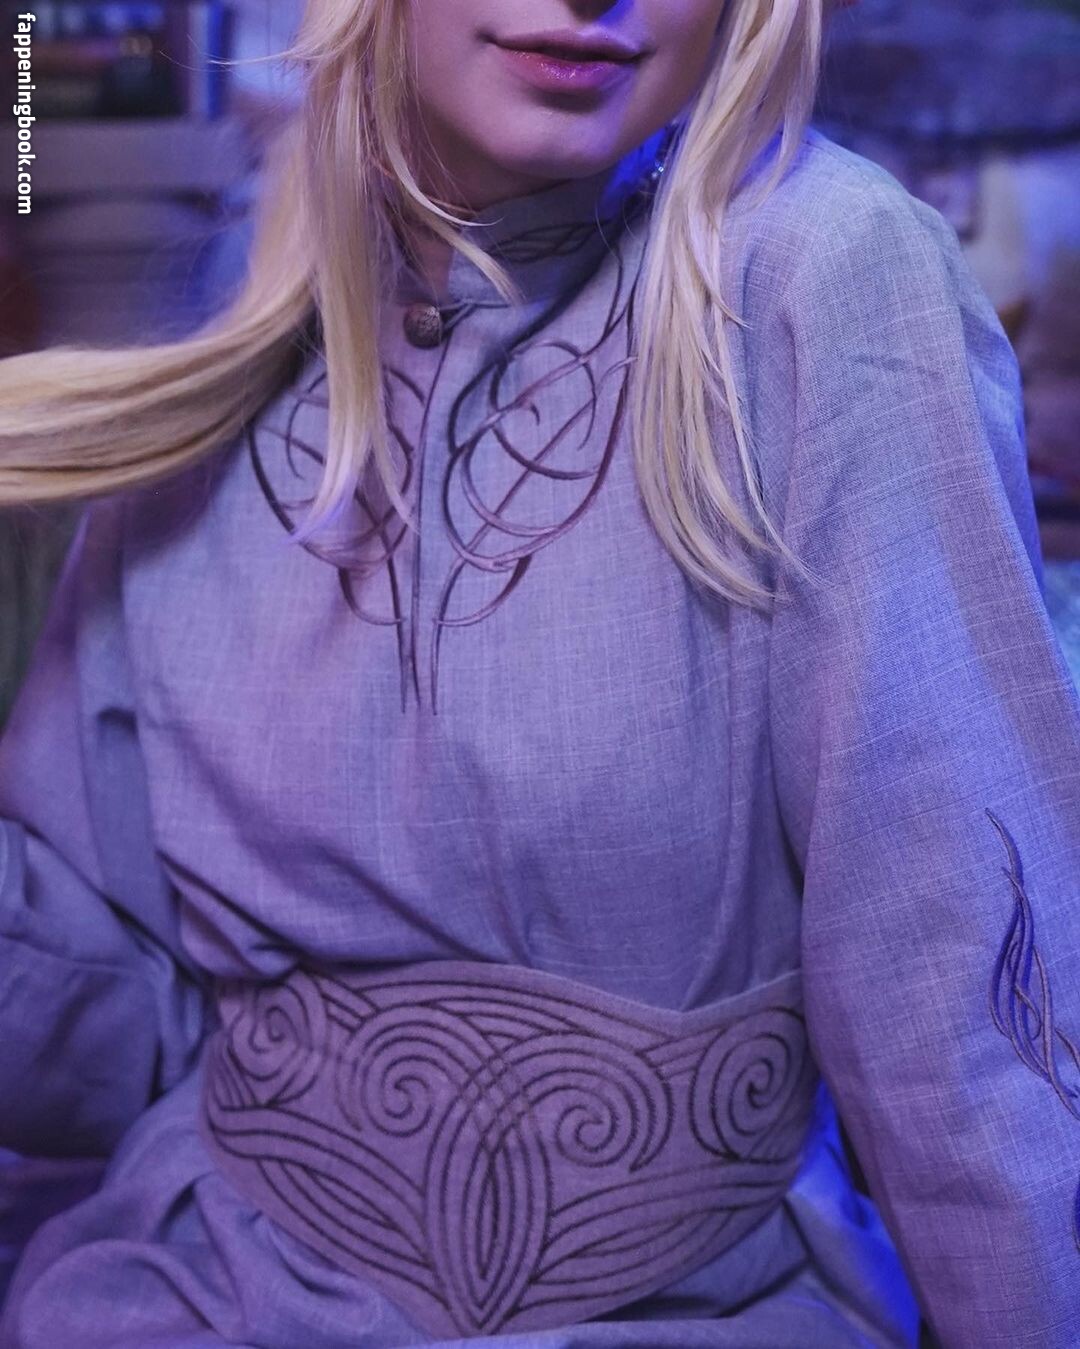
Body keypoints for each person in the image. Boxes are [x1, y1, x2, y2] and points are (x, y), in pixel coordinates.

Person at [0, 1, 1077, 1345]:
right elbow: (109, 1013)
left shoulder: (824, 271)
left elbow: (963, 1004)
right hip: (190, 1301)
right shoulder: (242, 299)